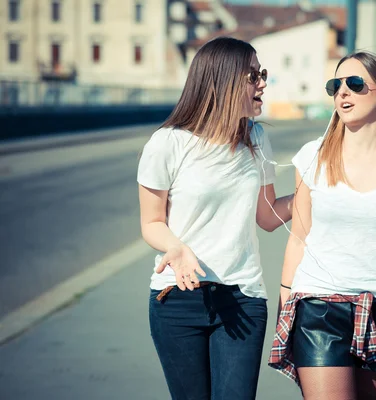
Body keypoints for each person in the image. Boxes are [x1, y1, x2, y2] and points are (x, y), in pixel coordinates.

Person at [268, 51, 376, 400]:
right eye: (336, 85)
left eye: (355, 83)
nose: (342, 92)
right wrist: (286, 304)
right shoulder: (313, 155)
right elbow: (298, 237)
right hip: (319, 306)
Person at [137, 37, 293, 400]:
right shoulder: (167, 143)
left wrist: (317, 191)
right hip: (176, 301)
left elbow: (267, 216)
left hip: (243, 299)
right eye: (254, 75)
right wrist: (177, 249)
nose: (263, 83)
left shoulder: (256, 139)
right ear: (223, 80)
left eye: (263, 74)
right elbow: (151, 223)